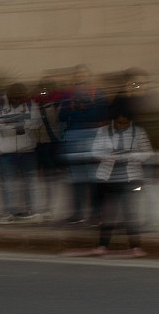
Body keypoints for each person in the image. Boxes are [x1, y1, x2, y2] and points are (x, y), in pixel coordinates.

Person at [88, 97, 152, 257]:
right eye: (118, 123)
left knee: (131, 213)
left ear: (130, 121)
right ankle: (103, 245)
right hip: (107, 179)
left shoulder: (138, 132)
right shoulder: (103, 132)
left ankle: (135, 246)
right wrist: (110, 156)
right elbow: (95, 152)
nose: (122, 126)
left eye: (125, 123)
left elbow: (147, 153)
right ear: (113, 120)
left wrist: (132, 156)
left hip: (131, 179)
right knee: (108, 214)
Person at [59, 65, 108, 224]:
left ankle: (96, 213)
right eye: (77, 74)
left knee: (93, 176)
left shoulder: (97, 92)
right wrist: (74, 107)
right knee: (76, 177)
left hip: (92, 134)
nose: (80, 77)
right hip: (73, 134)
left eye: (83, 74)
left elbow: (103, 112)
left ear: (89, 76)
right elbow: (61, 116)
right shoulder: (69, 94)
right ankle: (77, 213)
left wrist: (84, 106)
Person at [0, 82, 41, 223]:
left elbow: (37, 122)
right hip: (7, 151)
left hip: (28, 149)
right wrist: (10, 126)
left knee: (30, 182)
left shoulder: (30, 104)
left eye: (20, 98)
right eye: (15, 99)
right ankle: (8, 212)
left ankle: (30, 210)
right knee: (8, 183)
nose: (18, 101)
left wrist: (24, 124)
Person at [34, 78, 65, 221]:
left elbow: (57, 122)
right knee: (41, 179)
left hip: (50, 144)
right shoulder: (34, 105)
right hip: (37, 145)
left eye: (46, 89)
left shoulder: (56, 105)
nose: (43, 92)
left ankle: (49, 207)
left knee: (50, 178)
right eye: (42, 89)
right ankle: (43, 207)